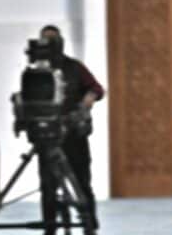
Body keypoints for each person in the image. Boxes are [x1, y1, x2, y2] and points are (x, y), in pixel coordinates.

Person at [37, 25, 104, 235]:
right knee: (48, 186)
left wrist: (85, 104)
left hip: (73, 135)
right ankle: (50, 226)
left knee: (82, 182)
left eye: (53, 40)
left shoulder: (74, 67)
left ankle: (90, 223)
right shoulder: (36, 72)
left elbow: (97, 89)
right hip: (47, 136)